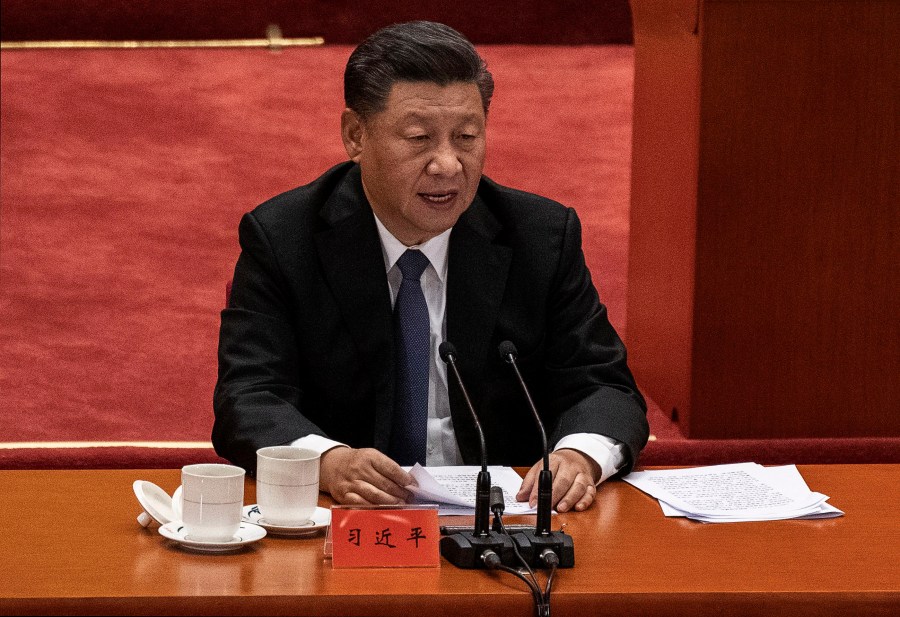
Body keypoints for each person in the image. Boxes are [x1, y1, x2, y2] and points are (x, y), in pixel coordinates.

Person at [213, 21, 648, 514]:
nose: (447, 165)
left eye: (467, 137)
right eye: (419, 138)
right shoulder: (285, 238)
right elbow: (247, 398)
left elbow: (605, 386)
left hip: (505, 521)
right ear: (356, 136)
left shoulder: (540, 237)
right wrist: (329, 462)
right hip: (350, 522)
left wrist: (579, 455)